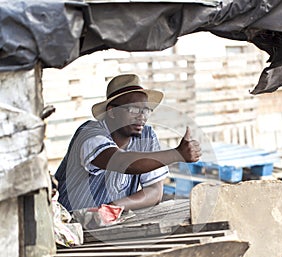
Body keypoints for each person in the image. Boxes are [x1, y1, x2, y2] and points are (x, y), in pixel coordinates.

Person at [55, 74, 201, 212]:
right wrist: (176, 154)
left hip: (107, 224)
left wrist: (115, 207)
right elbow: (121, 162)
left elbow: (154, 191)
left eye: (146, 110)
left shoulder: (147, 136)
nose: (142, 116)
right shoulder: (89, 134)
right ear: (112, 111)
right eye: (134, 109)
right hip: (69, 224)